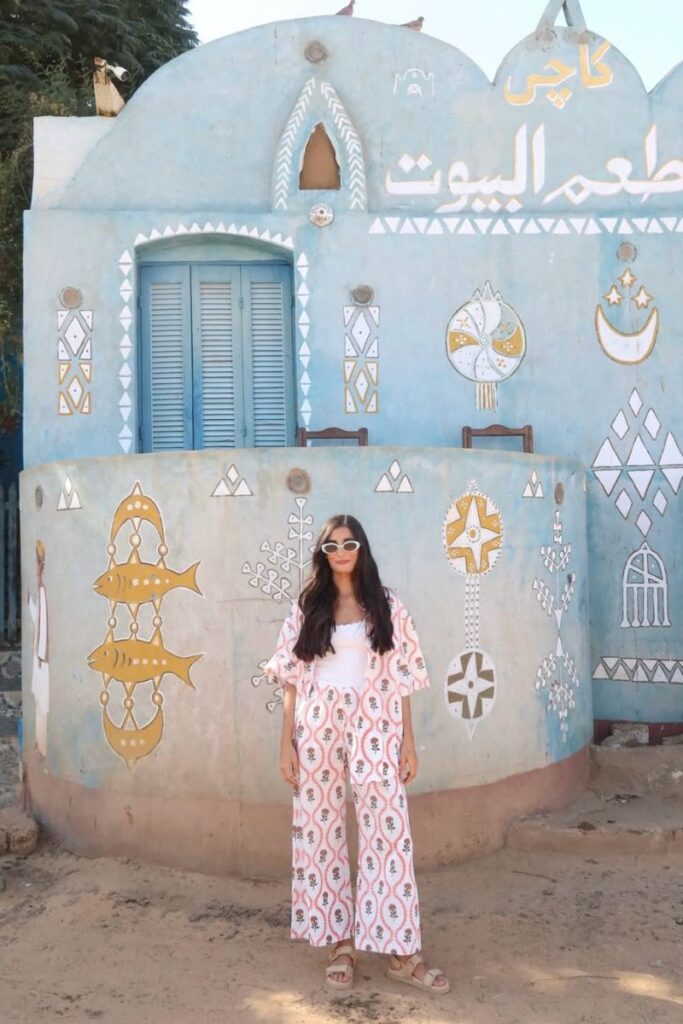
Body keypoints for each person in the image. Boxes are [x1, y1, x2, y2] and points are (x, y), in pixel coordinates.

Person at [266, 513, 449, 995]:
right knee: (320, 832)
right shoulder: (308, 606)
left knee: (388, 833)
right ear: (322, 554)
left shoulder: (387, 607)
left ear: (362, 549)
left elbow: (404, 678)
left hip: (376, 723)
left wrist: (408, 741)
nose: (341, 551)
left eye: (349, 544)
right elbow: (290, 677)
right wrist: (285, 742)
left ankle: (402, 952)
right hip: (317, 724)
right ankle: (339, 943)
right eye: (331, 546)